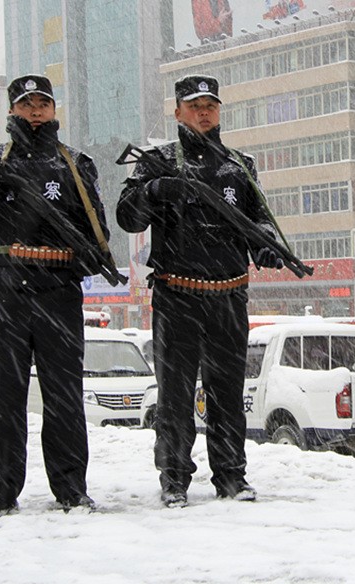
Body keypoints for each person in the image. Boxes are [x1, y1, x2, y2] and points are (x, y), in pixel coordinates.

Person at [0, 74, 110, 520]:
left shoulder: (75, 163)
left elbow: (97, 229)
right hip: (6, 294)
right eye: (27, 103)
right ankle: (1, 491)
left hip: (58, 293)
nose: (36, 111)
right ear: (12, 109)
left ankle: (71, 489)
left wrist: (87, 257)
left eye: (43, 103)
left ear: (54, 109)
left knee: (65, 396)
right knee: (6, 398)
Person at [117, 74, 283, 508]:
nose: (203, 113)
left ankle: (231, 475)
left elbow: (259, 219)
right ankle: (174, 478)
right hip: (177, 295)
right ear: (177, 112)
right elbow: (127, 217)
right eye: (194, 106)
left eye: (210, 105)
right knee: (174, 395)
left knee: (227, 393)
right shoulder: (156, 161)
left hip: (229, 295)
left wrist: (265, 246)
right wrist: (154, 189)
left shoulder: (239, 164)